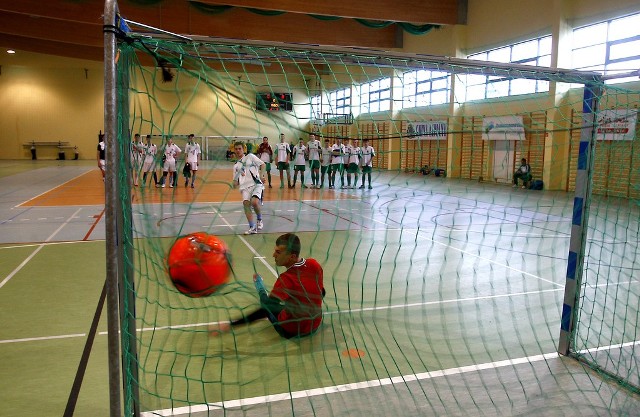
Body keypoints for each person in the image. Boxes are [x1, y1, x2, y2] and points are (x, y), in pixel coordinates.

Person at [210, 233, 325, 339]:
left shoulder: (286, 279)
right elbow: (322, 292)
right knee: (286, 302)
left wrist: (231, 324)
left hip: (292, 332)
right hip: (314, 325)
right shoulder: (314, 264)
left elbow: (265, 310)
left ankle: (260, 286)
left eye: (278, 252)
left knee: (267, 303)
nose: (273, 255)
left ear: (292, 256)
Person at [233, 141, 266, 234]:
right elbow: (235, 182)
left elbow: (263, 164)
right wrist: (235, 181)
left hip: (256, 184)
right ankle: (252, 227)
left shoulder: (250, 157)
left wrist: (262, 175)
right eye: (236, 149)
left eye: (240, 148)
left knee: (254, 202)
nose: (238, 150)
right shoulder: (236, 165)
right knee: (246, 205)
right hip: (244, 188)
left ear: (244, 149)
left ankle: (259, 219)